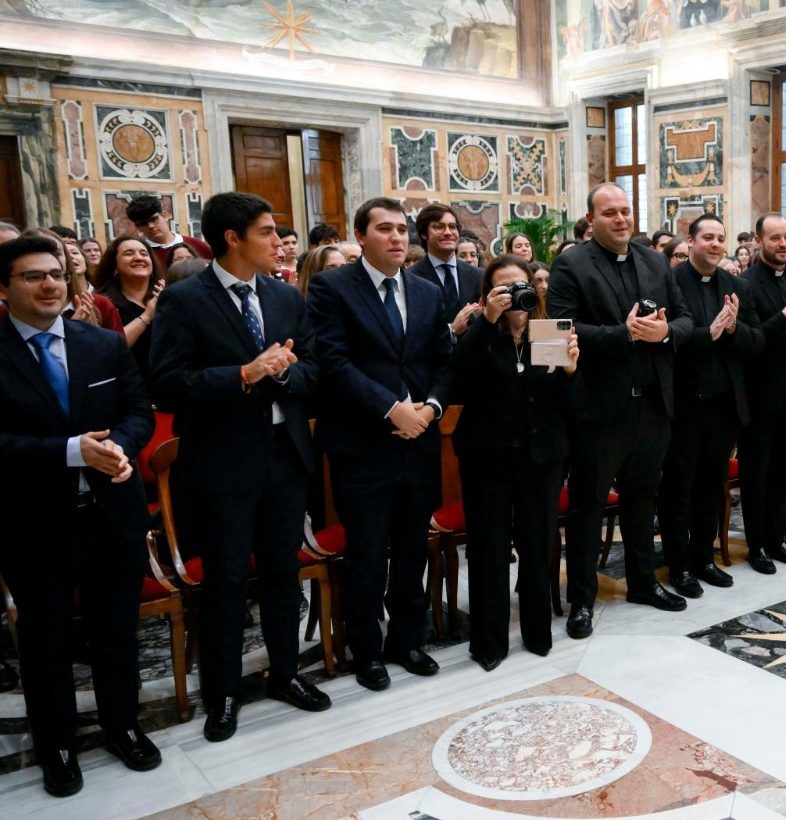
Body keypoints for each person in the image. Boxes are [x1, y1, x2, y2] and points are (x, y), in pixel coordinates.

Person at [149, 192, 330, 740]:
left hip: (284, 453)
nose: (279, 243)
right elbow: (166, 385)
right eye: (267, 232)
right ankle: (223, 693)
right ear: (232, 238)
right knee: (227, 581)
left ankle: (285, 673)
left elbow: (313, 371)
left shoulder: (282, 296)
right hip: (222, 461)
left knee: (282, 573)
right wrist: (243, 374)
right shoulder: (185, 300)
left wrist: (281, 375)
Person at [0, 235, 159, 795]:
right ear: (4, 288)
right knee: (46, 642)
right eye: (32, 276)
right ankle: (57, 746)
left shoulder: (101, 343)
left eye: (56, 274)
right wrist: (71, 452)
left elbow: (140, 410)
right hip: (32, 523)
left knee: (116, 630)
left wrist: (118, 444)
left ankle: (123, 726)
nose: (49, 285)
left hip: (110, 511)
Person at [306, 197, 454, 692]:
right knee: (367, 552)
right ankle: (366, 650)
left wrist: (430, 408)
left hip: (419, 441)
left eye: (401, 230)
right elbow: (333, 361)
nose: (397, 238)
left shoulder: (427, 292)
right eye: (385, 229)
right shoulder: (332, 288)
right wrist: (393, 409)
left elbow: (442, 361)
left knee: (413, 547)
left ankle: (408, 641)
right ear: (361, 235)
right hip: (364, 442)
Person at [547, 183, 695, 638]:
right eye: (609, 213)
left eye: (626, 211)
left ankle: (644, 582)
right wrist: (624, 334)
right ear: (591, 220)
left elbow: (687, 318)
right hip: (598, 409)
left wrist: (665, 333)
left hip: (653, 406)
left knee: (641, 498)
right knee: (589, 507)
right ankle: (582, 601)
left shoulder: (654, 259)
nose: (621, 220)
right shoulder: (570, 263)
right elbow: (554, 335)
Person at [452, 255, 576, 669]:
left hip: (541, 456)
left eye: (518, 286)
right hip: (487, 456)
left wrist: (571, 371)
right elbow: (458, 383)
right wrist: (487, 320)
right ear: (488, 294)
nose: (512, 296)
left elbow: (563, 404)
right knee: (488, 548)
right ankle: (488, 642)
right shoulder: (478, 333)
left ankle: (538, 632)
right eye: (500, 289)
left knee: (539, 544)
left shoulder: (549, 331)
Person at [660, 214, 764, 596]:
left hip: (723, 407)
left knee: (711, 486)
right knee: (680, 488)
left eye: (721, 237)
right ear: (691, 241)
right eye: (708, 237)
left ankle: (703, 557)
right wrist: (711, 333)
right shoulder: (670, 283)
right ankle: (679, 565)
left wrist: (733, 328)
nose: (716, 244)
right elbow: (669, 344)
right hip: (684, 406)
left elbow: (758, 342)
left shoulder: (736, 286)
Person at [739, 213, 786, 574]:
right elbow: (752, 341)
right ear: (758, 241)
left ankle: (781, 538)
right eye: (775, 238)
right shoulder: (745, 284)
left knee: (784, 472)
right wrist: (784, 314)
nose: (784, 244)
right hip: (759, 395)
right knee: (757, 474)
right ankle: (758, 545)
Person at [408, 204, 484, 336]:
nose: (448, 232)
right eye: (439, 227)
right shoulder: (409, 279)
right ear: (423, 234)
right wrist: (451, 330)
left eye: (452, 227)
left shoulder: (479, 276)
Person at [95, 234, 165, 376]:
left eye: (144, 253)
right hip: (126, 386)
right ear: (114, 266)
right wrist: (147, 316)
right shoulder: (101, 303)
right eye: (129, 253)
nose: (138, 258)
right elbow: (109, 350)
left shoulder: (168, 296)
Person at [125, 195, 211, 273]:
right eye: (144, 223)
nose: (150, 226)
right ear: (138, 227)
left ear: (164, 216)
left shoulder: (198, 246)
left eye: (154, 219)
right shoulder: (141, 256)